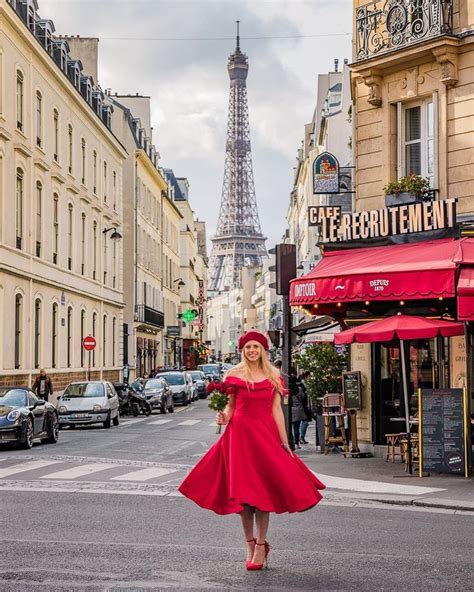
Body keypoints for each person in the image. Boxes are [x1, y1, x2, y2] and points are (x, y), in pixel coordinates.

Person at [178, 330, 325, 571]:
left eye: (256, 347)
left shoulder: (274, 375)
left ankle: (261, 544)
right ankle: (249, 544)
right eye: (248, 347)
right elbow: (231, 407)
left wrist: (285, 441)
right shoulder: (234, 374)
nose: (252, 351)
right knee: (244, 498)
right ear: (242, 350)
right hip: (239, 437)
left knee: (263, 495)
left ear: (263, 350)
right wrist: (223, 417)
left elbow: (277, 410)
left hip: (265, 437)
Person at [291, 378, 307, 449]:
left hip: (290, 410)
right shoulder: (299, 389)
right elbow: (303, 396)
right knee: (296, 427)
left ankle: (291, 441)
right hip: (298, 409)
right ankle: (296, 443)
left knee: (288, 428)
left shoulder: (287, 388)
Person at [298, 374, 313, 445]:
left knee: (304, 422)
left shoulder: (303, 385)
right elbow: (304, 396)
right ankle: (301, 437)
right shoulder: (302, 385)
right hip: (304, 406)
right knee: (305, 421)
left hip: (304, 406)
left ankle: (301, 437)